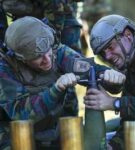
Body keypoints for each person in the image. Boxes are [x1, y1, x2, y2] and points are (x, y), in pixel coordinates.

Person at [0, 16, 126, 150]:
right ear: (20, 58)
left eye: (48, 51)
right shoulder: (5, 69)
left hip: (57, 133)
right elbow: (20, 115)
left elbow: (89, 70)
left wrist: (110, 78)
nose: (47, 59)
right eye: (37, 57)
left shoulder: (57, 52)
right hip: (16, 138)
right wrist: (56, 90)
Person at [84, 14, 135, 150]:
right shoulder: (132, 67)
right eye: (103, 53)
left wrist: (114, 103)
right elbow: (132, 120)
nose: (107, 56)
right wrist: (113, 146)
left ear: (128, 36)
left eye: (110, 47)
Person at [2, 0, 83, 53]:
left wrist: (53, 35)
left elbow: (56, 8)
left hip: (63, 23)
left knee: (72, 59)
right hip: (33, 24)